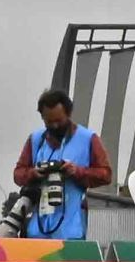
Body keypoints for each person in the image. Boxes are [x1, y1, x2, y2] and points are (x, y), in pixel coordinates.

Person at [10, 89, 112, 239]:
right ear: (42, 117)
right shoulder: (36, 140)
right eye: (49, 122)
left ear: (69, 114)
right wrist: (33, 173)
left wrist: (77, 171)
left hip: (71, 231)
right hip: (36, 230)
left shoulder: (88, 138)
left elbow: (106, 174)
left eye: (59, 120)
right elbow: (18, 174)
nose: (55, 126)